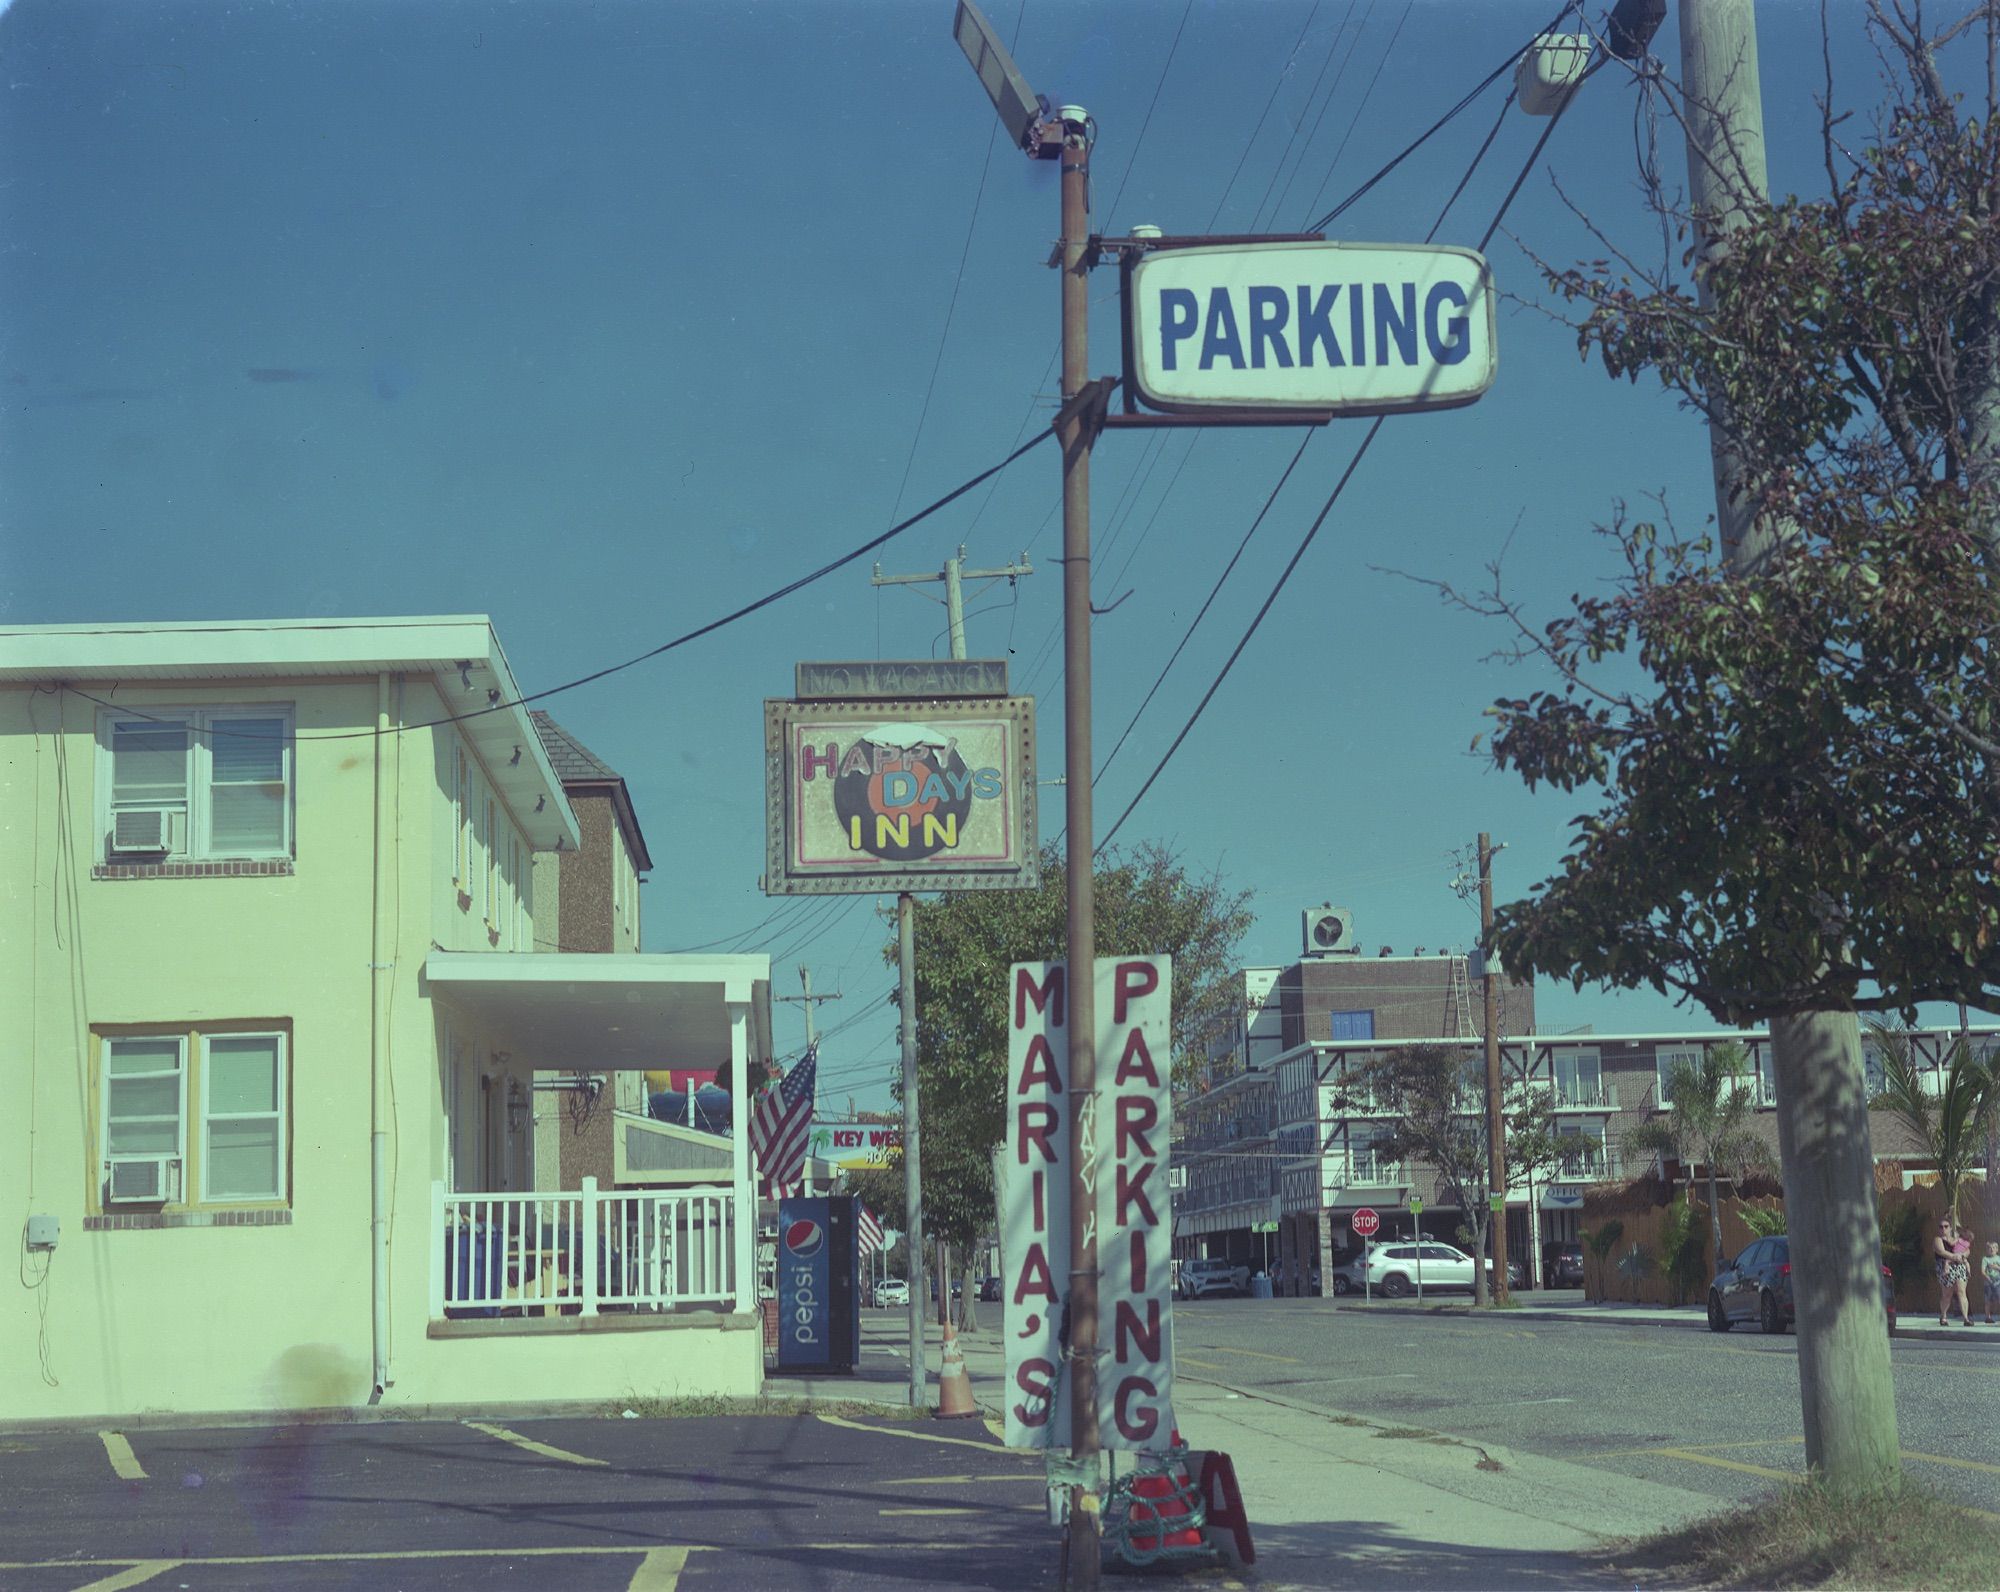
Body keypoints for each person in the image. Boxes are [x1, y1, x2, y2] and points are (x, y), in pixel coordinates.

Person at [1933, 1218, 1973, 1326]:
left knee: (1961, 1291)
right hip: (1945, 1266)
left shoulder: (1957, 1239)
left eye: (1946, 1226)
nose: (1943, 1229)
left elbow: (1967, 1249)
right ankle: (1943, 1316)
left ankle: (1966, 1318)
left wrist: (1962, 1256)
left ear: (1950, 1228)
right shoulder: (1938, 1239)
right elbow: (1941, 1251)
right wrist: (1955, 1257)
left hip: (1959, 1266)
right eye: (1941, 1227)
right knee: (1947, 1293)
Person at [1982, 1240, 2000, 1326]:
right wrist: (1988, 1278)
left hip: (1998, 1283)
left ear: (1997, 1249)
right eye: (1989, 1248)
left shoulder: (1998, 1258)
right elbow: (1982, 1271)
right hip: (1988, 1283)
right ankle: (1988, 1317)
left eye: (1993, 1248)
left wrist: (1997, 1267)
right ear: (1987, 1250)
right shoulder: (1985, 1259)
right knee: (1988, 1300)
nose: (1991, 1249)